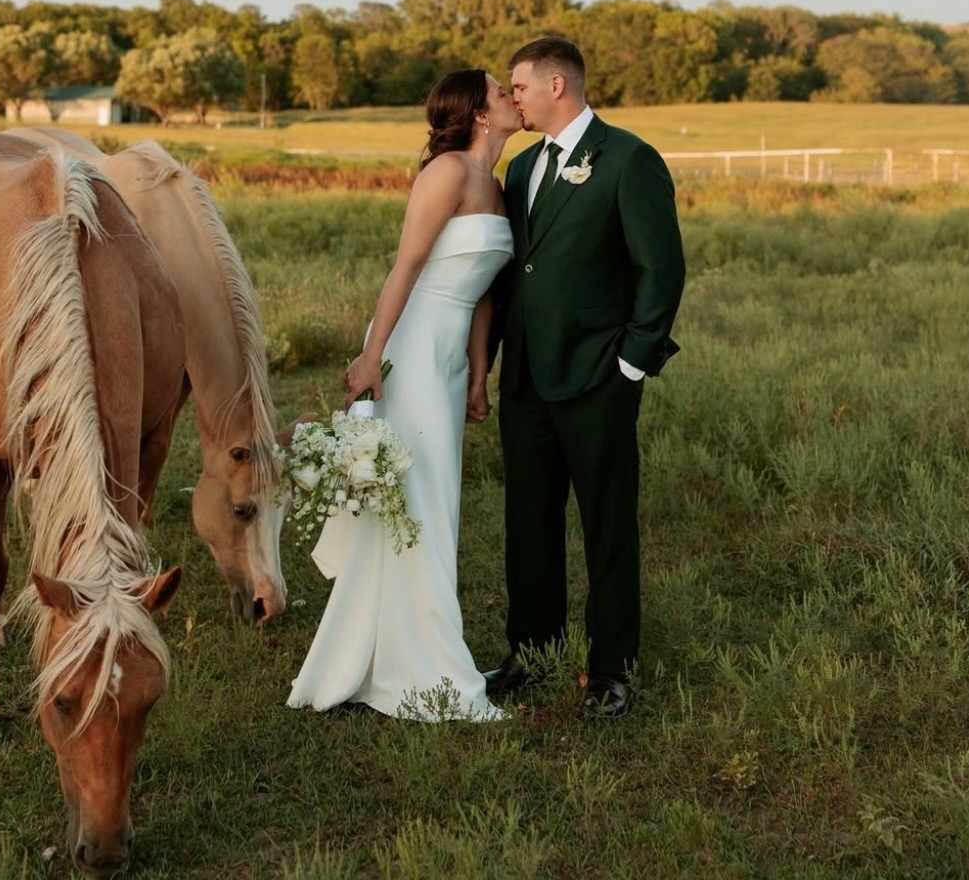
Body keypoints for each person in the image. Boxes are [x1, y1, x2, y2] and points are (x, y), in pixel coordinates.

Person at [287, 69, 521, 720]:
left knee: (431, 502)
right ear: (478, 112)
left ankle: (398, 656)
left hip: (447, 361)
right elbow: (408, 266)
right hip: (410, 349)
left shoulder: (496, 185)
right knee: (418, 502)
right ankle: (427, 669)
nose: (512, 98)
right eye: (502, 92)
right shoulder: (446, 173)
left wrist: (478, 374)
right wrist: (371, 356)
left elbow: (481, 293)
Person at [484, 36, 685, 719]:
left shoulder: (629, 160)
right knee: (528, 520)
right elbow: (515, 276)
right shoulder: (520, 170)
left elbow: (662, 270)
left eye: (519, 87)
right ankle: (532, 653)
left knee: (606, 522)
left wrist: (631, 362)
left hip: (599, 376)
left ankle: (610, 667)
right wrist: (488, 367)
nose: (514, 98)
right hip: (527, 381)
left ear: (556, 85)